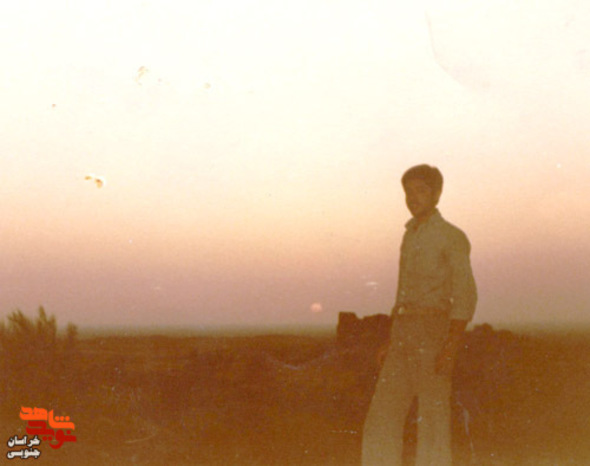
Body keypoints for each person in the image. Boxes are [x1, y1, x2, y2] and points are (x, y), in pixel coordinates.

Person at [362, 164, 477, 466]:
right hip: (403, 333)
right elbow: (404, 293)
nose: (413, 198)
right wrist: (392, 338)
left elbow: (465, 294)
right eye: (408, 192)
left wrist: (450, 347)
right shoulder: (410, 236)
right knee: (381, 419)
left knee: (433, 422)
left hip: (433, 331)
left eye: (421, 191)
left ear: (437, 194)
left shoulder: (451, 236)